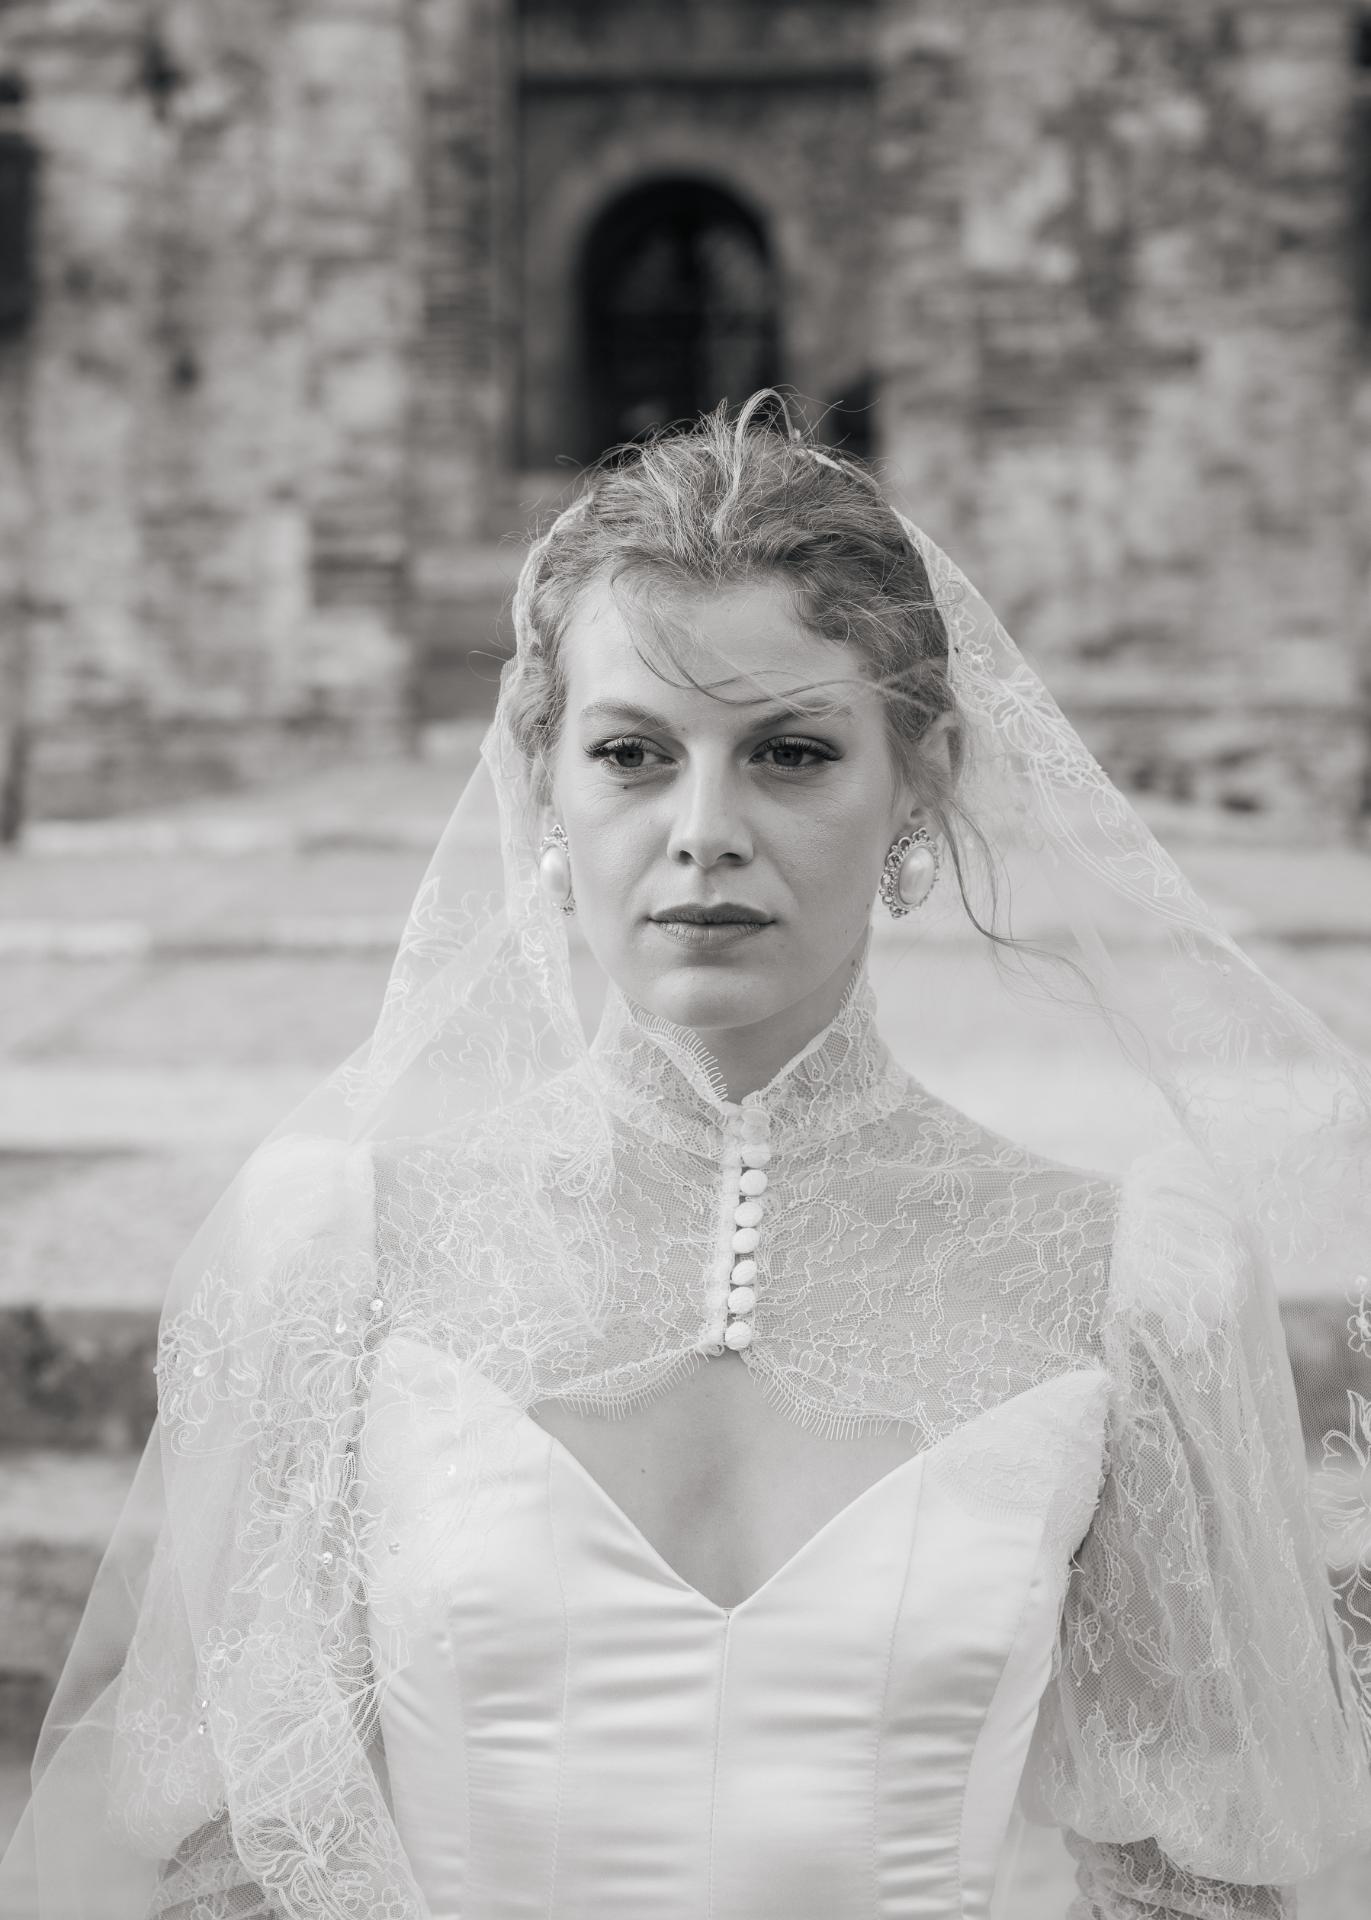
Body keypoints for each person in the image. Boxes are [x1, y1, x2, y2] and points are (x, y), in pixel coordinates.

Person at [2, 392, 1370, 1919]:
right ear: (544, 781)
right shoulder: (337, 1259)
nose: (702, 829)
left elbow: (1191, 1886)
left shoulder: (1132, 1297)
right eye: (635, 754)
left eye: (789, 754)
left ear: (920, 780)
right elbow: (230, 1866)